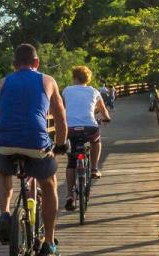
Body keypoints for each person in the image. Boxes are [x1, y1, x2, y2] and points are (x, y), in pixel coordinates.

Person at [0, 44, 68, 256]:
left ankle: (4, 214)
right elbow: (60, 118)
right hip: (36, 143)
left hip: (4, 141)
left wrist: (2, 141)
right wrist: (60, 145)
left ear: (14, 64)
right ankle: (49, 243)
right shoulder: (48, 80)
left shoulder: (3, 82)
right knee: (49, 183)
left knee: (3, 172)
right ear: (37, 62)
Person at [61, 66, 112, 211]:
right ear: (87, 79)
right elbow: (103, 110)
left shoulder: (67, 90)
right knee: (96, 141)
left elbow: (62, 108)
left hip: (70, 129)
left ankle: (70, 195)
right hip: (89, 128)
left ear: (74, 78)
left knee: (71, 162)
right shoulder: (94, 91)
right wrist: (107, 118)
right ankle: (94, 168)